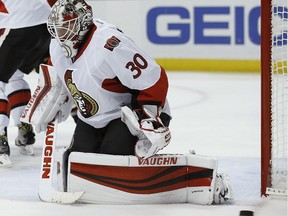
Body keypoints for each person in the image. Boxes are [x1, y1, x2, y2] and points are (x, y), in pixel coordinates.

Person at [0, 0, 57, 167]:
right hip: (44, 29)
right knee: (15, 76)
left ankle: (1, 140)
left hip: (17, 25)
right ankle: (24, 129)